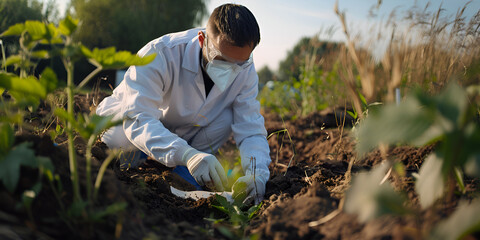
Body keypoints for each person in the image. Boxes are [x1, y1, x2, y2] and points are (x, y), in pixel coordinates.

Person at [96, 3, 270, 205]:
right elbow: (137, 117)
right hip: (133, 124)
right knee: (117, 142)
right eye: (222, 60)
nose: (231, 70)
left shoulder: (246, 69)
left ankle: (182, 173)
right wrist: (187, 154)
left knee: (227, 118)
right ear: (202, 39)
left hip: (185, 131)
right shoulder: (160, 53)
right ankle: (153, 162)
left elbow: (250, 128)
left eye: (239, 63)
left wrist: (257, 174)